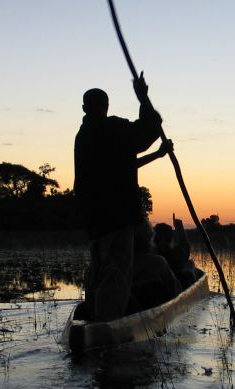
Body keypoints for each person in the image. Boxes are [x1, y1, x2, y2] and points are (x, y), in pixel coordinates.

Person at [74, 75, 173, 321]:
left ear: (85, 109)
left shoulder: (84, 135)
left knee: (100, 269)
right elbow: (148, 129)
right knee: (116, 272)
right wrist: (142, 98)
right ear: (104, 107)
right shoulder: (111, 129)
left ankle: (94, 317)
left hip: (94, 218)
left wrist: (159, 155)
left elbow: (129, 161)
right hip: (117, 215)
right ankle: (107, 326)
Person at [129, 221, 182, 313]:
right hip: (156, 314)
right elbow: (175, 291)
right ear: (149, 240)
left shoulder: (122, 265)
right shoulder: (158, 262)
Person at [153, 218, 199, 287]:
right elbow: (185, 250)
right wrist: (180, 228)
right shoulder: (171, 254)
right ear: (170, 238)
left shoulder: (152, 253)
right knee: (190, 264)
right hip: (172, 288)